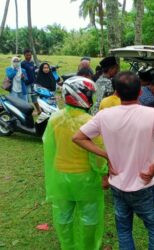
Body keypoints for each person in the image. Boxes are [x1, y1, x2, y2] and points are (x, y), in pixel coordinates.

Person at [72, 71, 154, 250]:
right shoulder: (152, 114)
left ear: (116, 93)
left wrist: (106, 154)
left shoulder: (104, 115)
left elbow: (78, 137)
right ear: (140, 92)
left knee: (123, 230)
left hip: (117, 184)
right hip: (143, 185)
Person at [43, 76, 107, 250]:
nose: (92, 98)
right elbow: (99, 153)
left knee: (63, 216)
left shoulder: (54, 119)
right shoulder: (89, 122)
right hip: (85, 178)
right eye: (89, 94)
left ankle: (68, 246)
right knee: (90, 217)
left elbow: (51, 147)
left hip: (60, 177)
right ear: (81, 95)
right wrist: (104, 175)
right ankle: (88, 247)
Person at [21, 48, 41, 114]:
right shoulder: (23, 64)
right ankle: (28, 113)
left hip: (33, 83)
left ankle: (39, 110)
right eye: (27, 55)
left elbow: (34, 72)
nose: (29, 56)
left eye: (30, 55)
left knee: (34, 97)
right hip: (27, 84)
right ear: (24, 55)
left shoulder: (32, 63)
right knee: (28, 99)